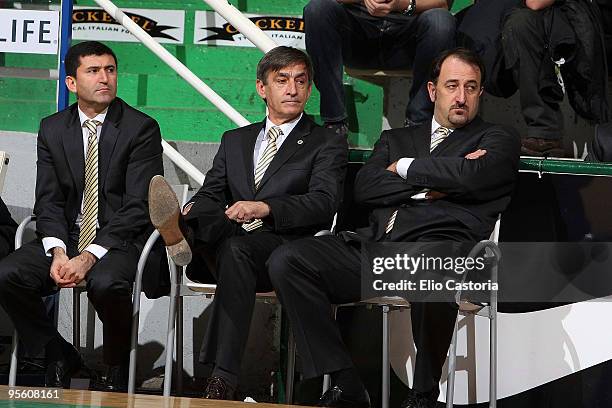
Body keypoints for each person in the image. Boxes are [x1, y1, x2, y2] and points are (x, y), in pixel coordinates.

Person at [266, 48, 520, 408]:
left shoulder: (498, 139)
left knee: (437, 265)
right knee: (287, 260)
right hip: (377, 248)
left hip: (440, 250)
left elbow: (474, 175)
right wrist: (433, 175)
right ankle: (346, 382)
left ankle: (423, 395)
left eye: (471, 87)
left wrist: (401, 169)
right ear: (433, 91)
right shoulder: (396, 140)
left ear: (480, 92)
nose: (461, 97)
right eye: (452, 86)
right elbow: (366, 187)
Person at [148, 46, 348, 400]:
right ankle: (183, 228)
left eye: (301, 81)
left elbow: (323, 203)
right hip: (230, 241)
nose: (293, 89)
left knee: (234, 247)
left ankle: (183, 239)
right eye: (282, 80)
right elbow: (213, 192)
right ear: (261, 88)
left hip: (282, 246)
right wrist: (199, 208)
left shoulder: (325, 142)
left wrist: (265, 208)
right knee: (214, 220)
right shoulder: (235, 140)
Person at [0, 41, 164, 391]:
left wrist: (89, 257)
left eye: (110, 70)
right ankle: (56, 352)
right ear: (71, 83)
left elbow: (138, 206)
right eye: (93, 71)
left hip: (119, 238)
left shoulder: (141, 128)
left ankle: (117, 364)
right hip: (69, 235)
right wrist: (59, 251)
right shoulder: (53, 128)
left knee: (106, 282)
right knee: (8, 273)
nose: (105, 78)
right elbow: (48, 200)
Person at [303, 0, 456, 135]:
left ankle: (418, 125)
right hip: (357, 37)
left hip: (408, 41)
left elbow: (442, 3)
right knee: (318, 9)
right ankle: (334, 124)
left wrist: (401, 4)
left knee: (440, 21)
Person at [498, 0, 609, 156]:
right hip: (546, 19)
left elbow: (535, 2)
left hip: (590, 19)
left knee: (522, 21)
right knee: (518, 22)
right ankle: (544, 133)